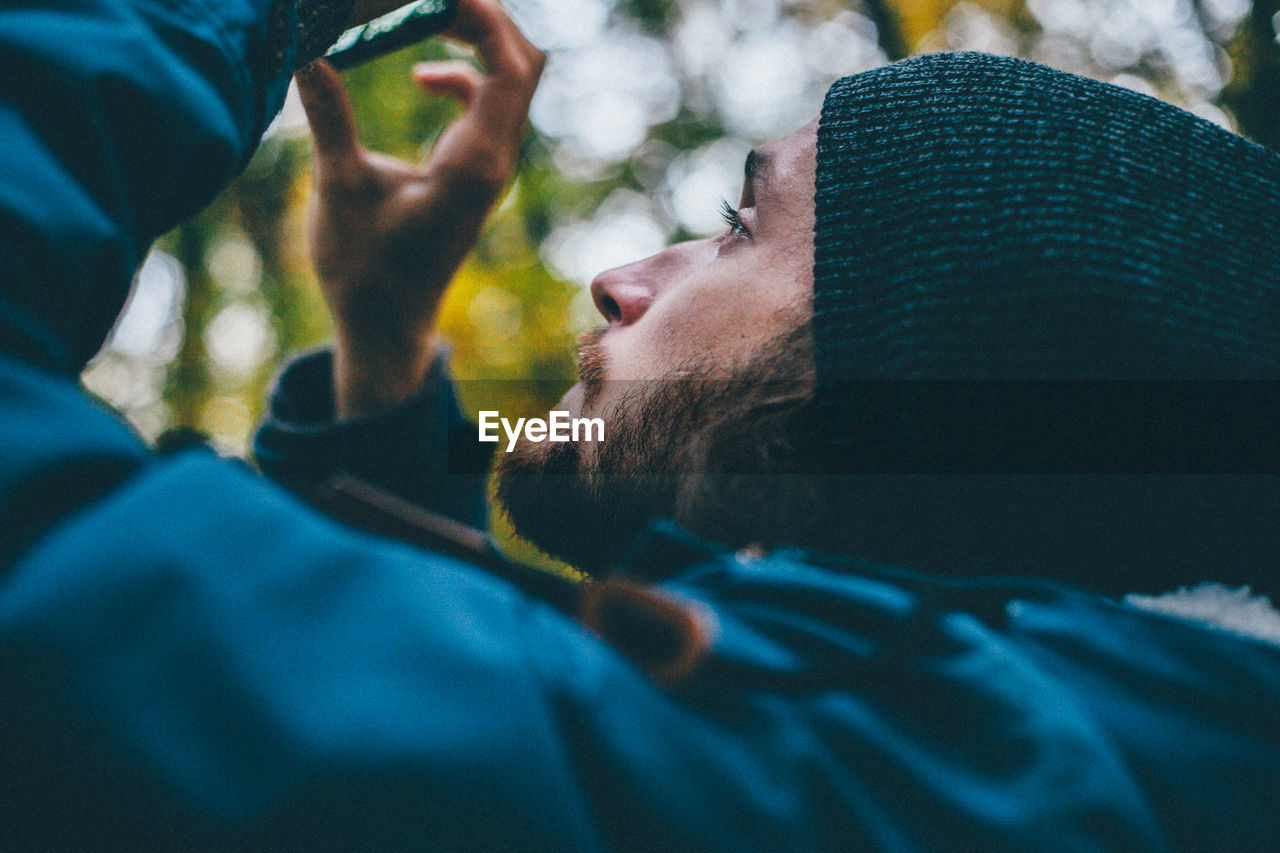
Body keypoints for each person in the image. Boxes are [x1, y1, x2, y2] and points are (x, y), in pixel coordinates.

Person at [1, 0, 1278, 850]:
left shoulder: (879, 772)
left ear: (900, 367)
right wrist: (388, 354)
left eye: (738, 224)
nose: (617, 281)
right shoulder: (1048, 734)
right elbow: (517, 482)